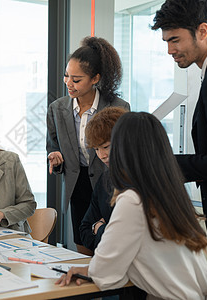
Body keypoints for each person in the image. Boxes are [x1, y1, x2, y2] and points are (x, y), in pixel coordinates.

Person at [56, 112, 207, 300]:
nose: (104, 155)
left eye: (109, 146)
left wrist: (93, 263)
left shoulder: (133, 200)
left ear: (124, 149)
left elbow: (105, 272)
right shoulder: (169, 192)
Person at [152, 0, 207, 260]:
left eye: (175, 40)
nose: (169, 50)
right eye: (166, 41)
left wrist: (164, 165)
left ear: (202, 31)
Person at [47, 36, 130, 255]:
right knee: (83, 240)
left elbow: (127, 150)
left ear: (95, 78)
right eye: (66, 76)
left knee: (110, 241)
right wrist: (54, 155)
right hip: (77, 183)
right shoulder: (57, 108)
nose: (68, 84)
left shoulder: (118, 107)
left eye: (76, 79)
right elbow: (53, 143)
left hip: (110, 183)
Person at [79, 107, 127, 253]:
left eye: (106, 147)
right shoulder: (105, 179)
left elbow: (124, 238)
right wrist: (102, 230)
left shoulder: (145, 180)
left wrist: (100, 229)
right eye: (96, 149)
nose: (102, 155)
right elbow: (84, 230)